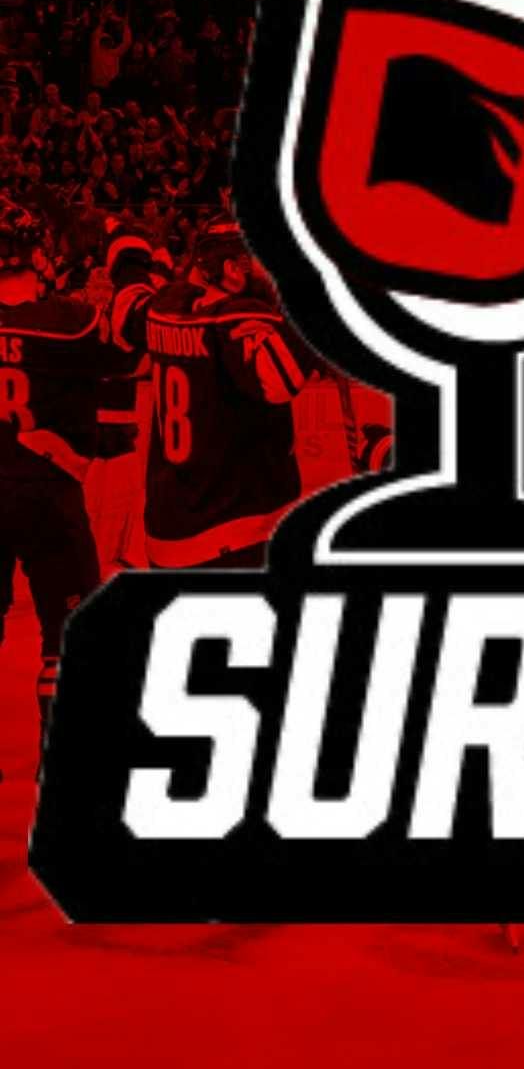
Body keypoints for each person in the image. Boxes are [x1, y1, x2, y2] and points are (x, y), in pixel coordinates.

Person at [0, 203, 142, 774]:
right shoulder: (70, 320)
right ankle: (57, 758)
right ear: (38, 257)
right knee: (67, 632)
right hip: (46, 492)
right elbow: (127, 355)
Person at [112, 219, 317, 568]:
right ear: (232, 270)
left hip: (167, 531)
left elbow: (124, 314)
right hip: (236, 533)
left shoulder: (166, 305)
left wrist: (130, 251)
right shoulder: (237, 316)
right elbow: (278, 378)